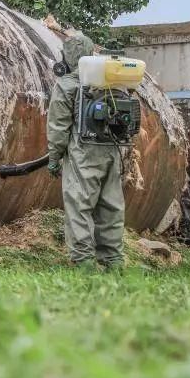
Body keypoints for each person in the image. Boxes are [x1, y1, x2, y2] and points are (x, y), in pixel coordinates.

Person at [47, 34, 125, 269]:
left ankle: (83, 262)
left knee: (79, 206)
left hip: (83, 153)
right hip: (111, 151)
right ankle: (113, 261)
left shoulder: (68, 84)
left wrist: (54, 158)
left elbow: (58, 126)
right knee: (111, 207)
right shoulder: (110, 81)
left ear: (69, 57)